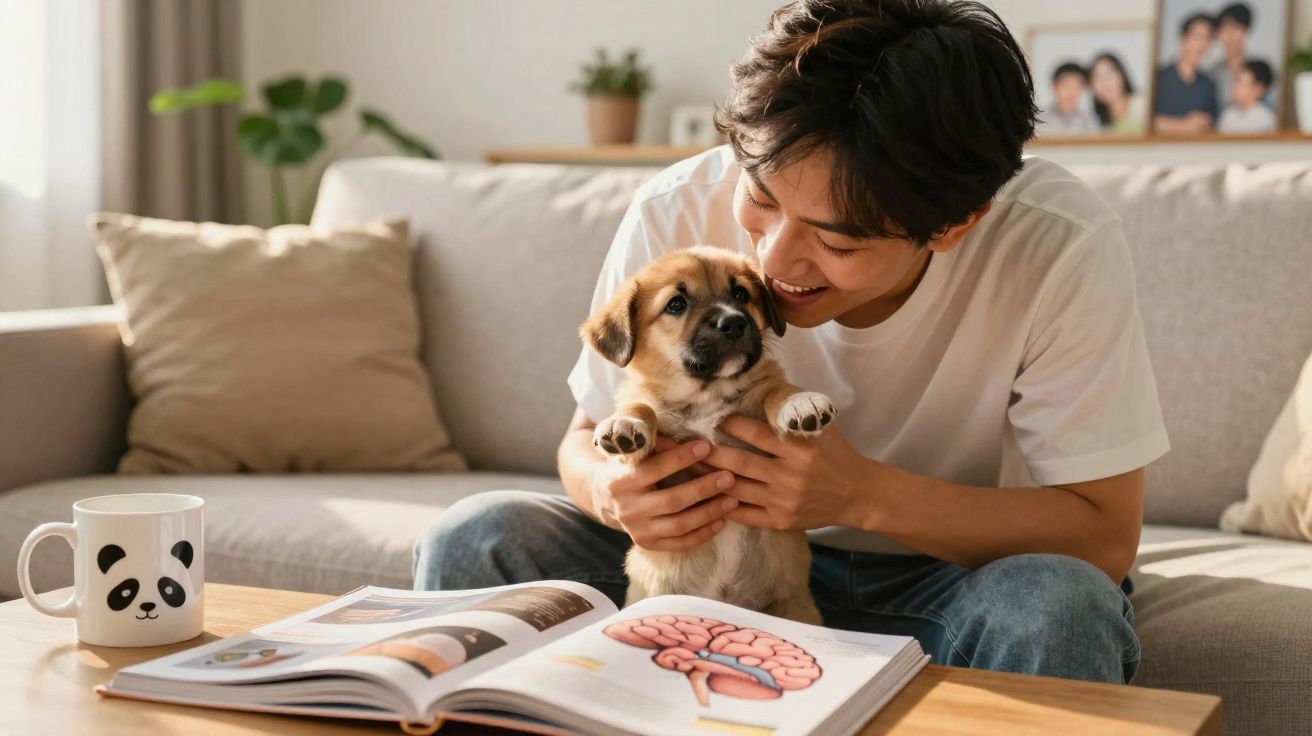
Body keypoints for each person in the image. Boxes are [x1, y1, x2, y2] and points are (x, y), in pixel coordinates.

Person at [414, 0, 1167, 686]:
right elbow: (583, 441)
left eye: (837, 241)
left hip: (945, 580)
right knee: (477, 538)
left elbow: (1103, 538)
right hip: (694, 563)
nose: (771, 263)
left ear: (953, 224)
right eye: (760, 198)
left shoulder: (1057, 244)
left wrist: (861, 495)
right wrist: (617, 495)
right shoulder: (673, 210)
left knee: (1058, 604)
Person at [1154, 12, 1220, 134]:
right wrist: (1183, 125)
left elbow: (1213, 123)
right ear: (1182, 39)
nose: (1202, 44)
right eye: (1198, 37)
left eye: (1208, 39)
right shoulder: (1158, 77)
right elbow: (1144, 121)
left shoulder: (1208, 84)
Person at [1207, 3, 1275, 110]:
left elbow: (1271, 106)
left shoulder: (1259, 69)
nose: (1230, 35)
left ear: (1246, 31)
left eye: (1236, 28)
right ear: (1218, 34)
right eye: (1224, 29)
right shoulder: (1213, 73)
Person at [1089, 52, 1146, 136]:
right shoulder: (1096, 122)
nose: (1105, 83)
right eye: (1098, 77)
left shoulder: (1142, 105)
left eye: (1109, 74)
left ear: (1122, 76)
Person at [1036, 62, 1099, 136]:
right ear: (1054, 87)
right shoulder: (1040, 118)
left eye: (1077, 87)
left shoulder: (1087, 119)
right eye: (1066, 85)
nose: (1072, 92)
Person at [1217, 59, 1278, 133]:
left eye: (1239, 81)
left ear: (1258, 89)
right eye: (1234, 80)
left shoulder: (1265, 118)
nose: (1234, 86)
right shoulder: (1227, 115)